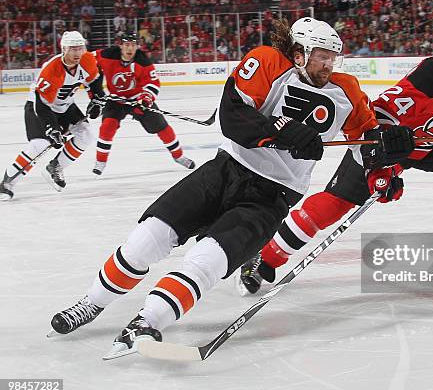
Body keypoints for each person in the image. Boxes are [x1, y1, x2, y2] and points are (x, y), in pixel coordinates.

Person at [48, 18, 410, 357]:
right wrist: (280, 131)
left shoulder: (346, 89)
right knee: (147, 237)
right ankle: (92, 303)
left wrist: (388, 152)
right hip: (226, 171)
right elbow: (233, 115)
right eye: (320, 57)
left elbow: (367, 137)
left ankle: (147, 322)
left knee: (207, 260)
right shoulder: (268, 62)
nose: (328, 65)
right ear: (299, 53)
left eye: (333, 57)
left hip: (272, 196)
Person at [238, 26, 433, 295]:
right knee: (335, 203)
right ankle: (265, 256)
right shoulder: (432, 79)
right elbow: (379, 116)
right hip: (393, 144)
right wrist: (379, 168)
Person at [0, 31, 104, 200]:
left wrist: (97, 99)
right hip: (40, 108)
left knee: (87, 133)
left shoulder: (87, 60)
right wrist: (52, 129)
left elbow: (95, 80)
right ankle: (6, 184)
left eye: (80, 48)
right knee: (39, 145)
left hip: (65, 106)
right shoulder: (52, 70)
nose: (78, 53)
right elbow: (41, 106)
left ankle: (55, 167)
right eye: (73, 49)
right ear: (64, 49)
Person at [91, 33, 195, 176]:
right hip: (116, 100)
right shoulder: (107, 54)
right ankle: (100, 162)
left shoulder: (143, 61)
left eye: (133, 45)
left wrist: (146, 98)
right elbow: (87, 59)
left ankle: (178, 156)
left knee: (162, 128)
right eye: (127, 45)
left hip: (138, 100)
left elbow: (153, 83)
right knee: (107, 127)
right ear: (120, 45)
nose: (130, 49)